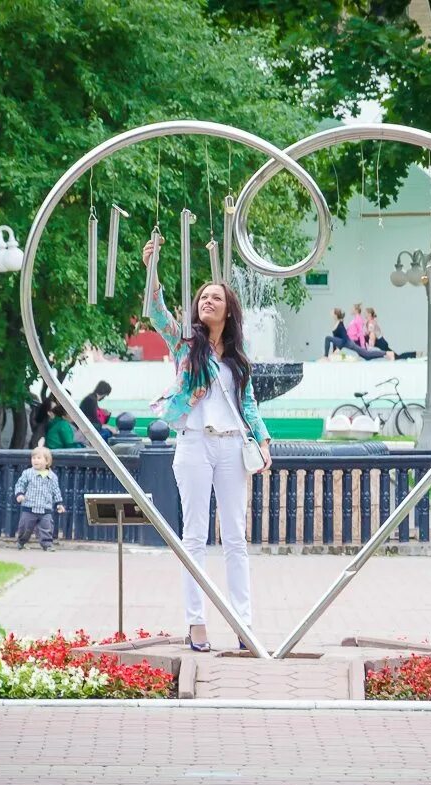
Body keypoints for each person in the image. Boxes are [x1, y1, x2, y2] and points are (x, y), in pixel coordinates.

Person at [142, 236, 270, 653]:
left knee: (235, 537)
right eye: (203, 297)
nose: (207, 302)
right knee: (193, 536)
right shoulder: (185, 343)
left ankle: (242, 623)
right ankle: (196, 622)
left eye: (216, 297)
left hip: (234, 447)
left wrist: (263, 440)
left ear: (229, 308)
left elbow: (246, 400)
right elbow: (155, 313)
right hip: (194, 444)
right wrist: (153, 268)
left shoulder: (237, 352)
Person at [14, 446, 66, 551]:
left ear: (47, 461)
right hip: (29, 507)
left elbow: (56, 491)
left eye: (38, 458)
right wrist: (19, 494)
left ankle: (47, 545)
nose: (35, 460)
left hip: (45, 508)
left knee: (46, 528)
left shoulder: (52, 476)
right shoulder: (27, 473)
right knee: (25, 528)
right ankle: (21, 542)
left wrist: (59, 503)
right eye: (33, 458)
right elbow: (20, 484)